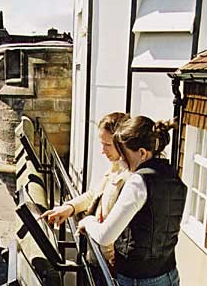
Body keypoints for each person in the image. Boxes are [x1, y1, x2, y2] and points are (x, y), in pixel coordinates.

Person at [43, 113, 183, 285]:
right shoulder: (172, 176)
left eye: (120, 151)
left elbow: (105, 236)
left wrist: (89, 221)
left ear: (142, 153)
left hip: (137, 278)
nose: (121, 158)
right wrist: (71, 207)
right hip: (168, 273)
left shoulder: (137, 181)